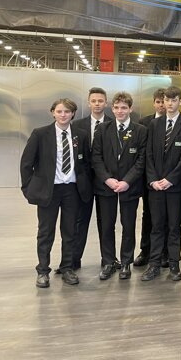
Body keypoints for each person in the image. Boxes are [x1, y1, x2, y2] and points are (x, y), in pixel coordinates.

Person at [21, 98, 92, 288]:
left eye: (67, 112)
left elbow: (85, 162)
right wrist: (28, 188)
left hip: (72, 190)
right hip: (49, 191)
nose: (63, 115)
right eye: (59, 111)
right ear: (53, 112)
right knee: (46, 232)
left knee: (70, 231)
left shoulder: (81, 135)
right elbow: (26, 163)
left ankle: (67, 268)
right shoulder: (40, 134)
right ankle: (43, 271)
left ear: (73, 114)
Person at [141, 86, 181, 282]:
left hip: (175, 187)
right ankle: (154, 264)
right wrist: (153, 180)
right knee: (156, 226)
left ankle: (174, 264)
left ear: (180, 102)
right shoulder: (154, 124)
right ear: (163, 102)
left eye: (174, 100)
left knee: (174, 227)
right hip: (155, 186)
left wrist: (171, 179)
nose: (170, 103)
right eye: (167, 100)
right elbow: (148, 154)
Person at [92, 92, 148, 281]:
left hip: (129, 187)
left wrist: (127, 181)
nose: (120, 111)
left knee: (128, 225)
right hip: (106, 187)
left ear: (130, 109)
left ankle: (126, 262)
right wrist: (107, 179)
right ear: (112, 108)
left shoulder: (140, 130)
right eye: (116, 107)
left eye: (124, 107)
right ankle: (108, 262)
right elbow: (96, 158)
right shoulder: (102, 129)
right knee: (106, 225)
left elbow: (141, 160)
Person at [69, 87, 113, 271]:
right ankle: (73, 260)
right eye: (93, 101)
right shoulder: (77, 125)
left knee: (106, 222)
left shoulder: (113, 124)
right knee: (80, 221)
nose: (97, 104)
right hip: (83, 182)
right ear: (88, 103)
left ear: (106, 103)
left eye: (100, 101)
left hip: (106, 181)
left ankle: (108, 260)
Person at [135, 88, 167, 268]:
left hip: (168, 180)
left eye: (164, 101)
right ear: (154, 103)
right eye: (159, 102)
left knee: (167, 218)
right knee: (148, 215)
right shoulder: (144, 123)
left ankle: (164, 253)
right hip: (149, 179)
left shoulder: (179, 123)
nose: (162, 105)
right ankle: (145, 250)